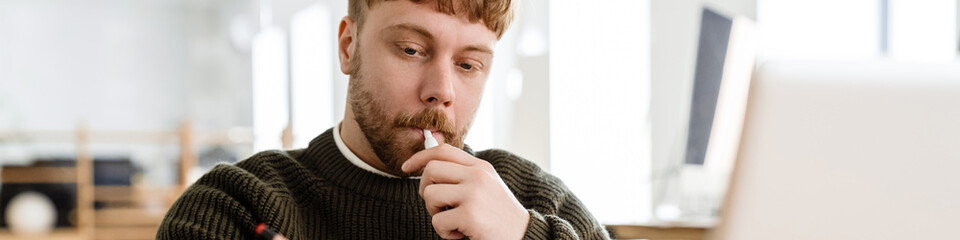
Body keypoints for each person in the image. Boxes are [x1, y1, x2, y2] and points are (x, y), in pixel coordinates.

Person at [156, 0, 608, 239]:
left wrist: (523, 238)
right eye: (412, 50)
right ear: (349, 46)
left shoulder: (536, 204)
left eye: (469, 65)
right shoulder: (235, 206)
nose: (443, 90)